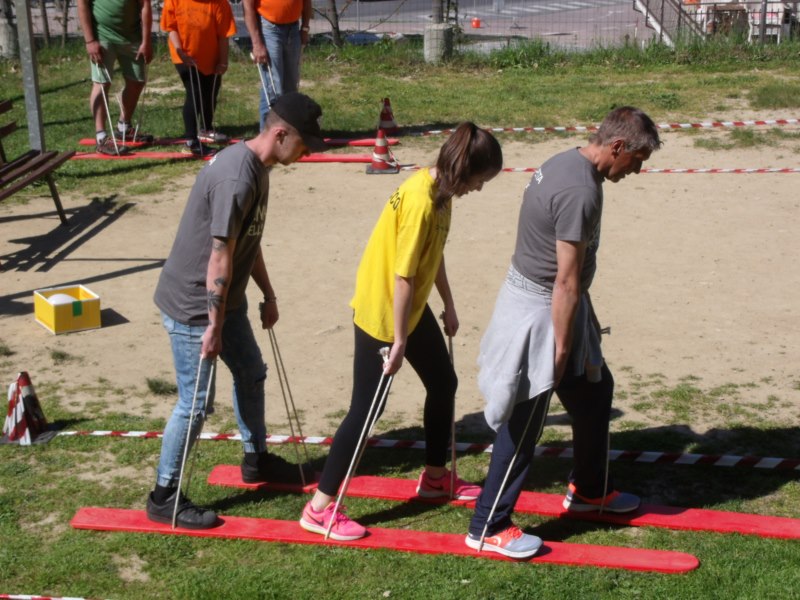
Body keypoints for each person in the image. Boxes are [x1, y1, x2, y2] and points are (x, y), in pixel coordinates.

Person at [466, 106, 662, 559]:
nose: (636, 171)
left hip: (552, 303)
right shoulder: (580, 191)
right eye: (636, 160)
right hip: (541, 310)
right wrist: (557, 352)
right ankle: (487, 525)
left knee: (595, 393)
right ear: (617, 147)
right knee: (526, 417)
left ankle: (590, 491)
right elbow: (566, 281)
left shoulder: (567, 161)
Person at [299, 122, 503, 541]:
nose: (479, 189)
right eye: (480, 181)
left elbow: (434, 253)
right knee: (366, 409)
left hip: (409, 311)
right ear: (464, 170)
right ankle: (319, 509)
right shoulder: (420, 202)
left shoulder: (442, 194)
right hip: (383, 314)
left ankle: (433, 478)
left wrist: (447, 302)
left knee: (443, 382)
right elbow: (403, 275)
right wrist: (399, 341)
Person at [145, 92, 328, 529]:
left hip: (227, 300)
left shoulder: (259, 169)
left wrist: (268, 293)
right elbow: (219, 256)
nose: (306, 153)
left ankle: (256, 460)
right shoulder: (237, 179)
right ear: (280, 133)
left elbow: (250, 238)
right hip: (195, 304)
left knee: (251, 371)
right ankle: (163, 495)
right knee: (194, 404)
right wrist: (213, 325)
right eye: (304, 144)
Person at [77, 0, 154, 156]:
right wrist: (90, 41)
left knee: (137, 82)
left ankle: (123, 126)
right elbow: (82, 4)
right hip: (102, 36)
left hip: (131, 37)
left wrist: (146, 41)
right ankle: (101, 137)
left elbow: (145, 5)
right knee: (101, 83)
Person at [160, 0, 236, 157]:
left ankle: (206, 129)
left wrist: (223, 61)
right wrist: (181, 53)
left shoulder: (220, 4)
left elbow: (223, 35)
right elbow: (171, 28)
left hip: (210, 56)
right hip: (184, 55)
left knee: (210, 92)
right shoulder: (174, 1)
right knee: (194, 93)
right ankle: (191, 142)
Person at [243, 0, 312, 129]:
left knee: (291, 86)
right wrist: (257, 43)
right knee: (273, 87)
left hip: (294, 29)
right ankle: (267, 134)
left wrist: (305, 28)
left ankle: (287, 131)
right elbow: (248, 8)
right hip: (269, 28)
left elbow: (307, 3)